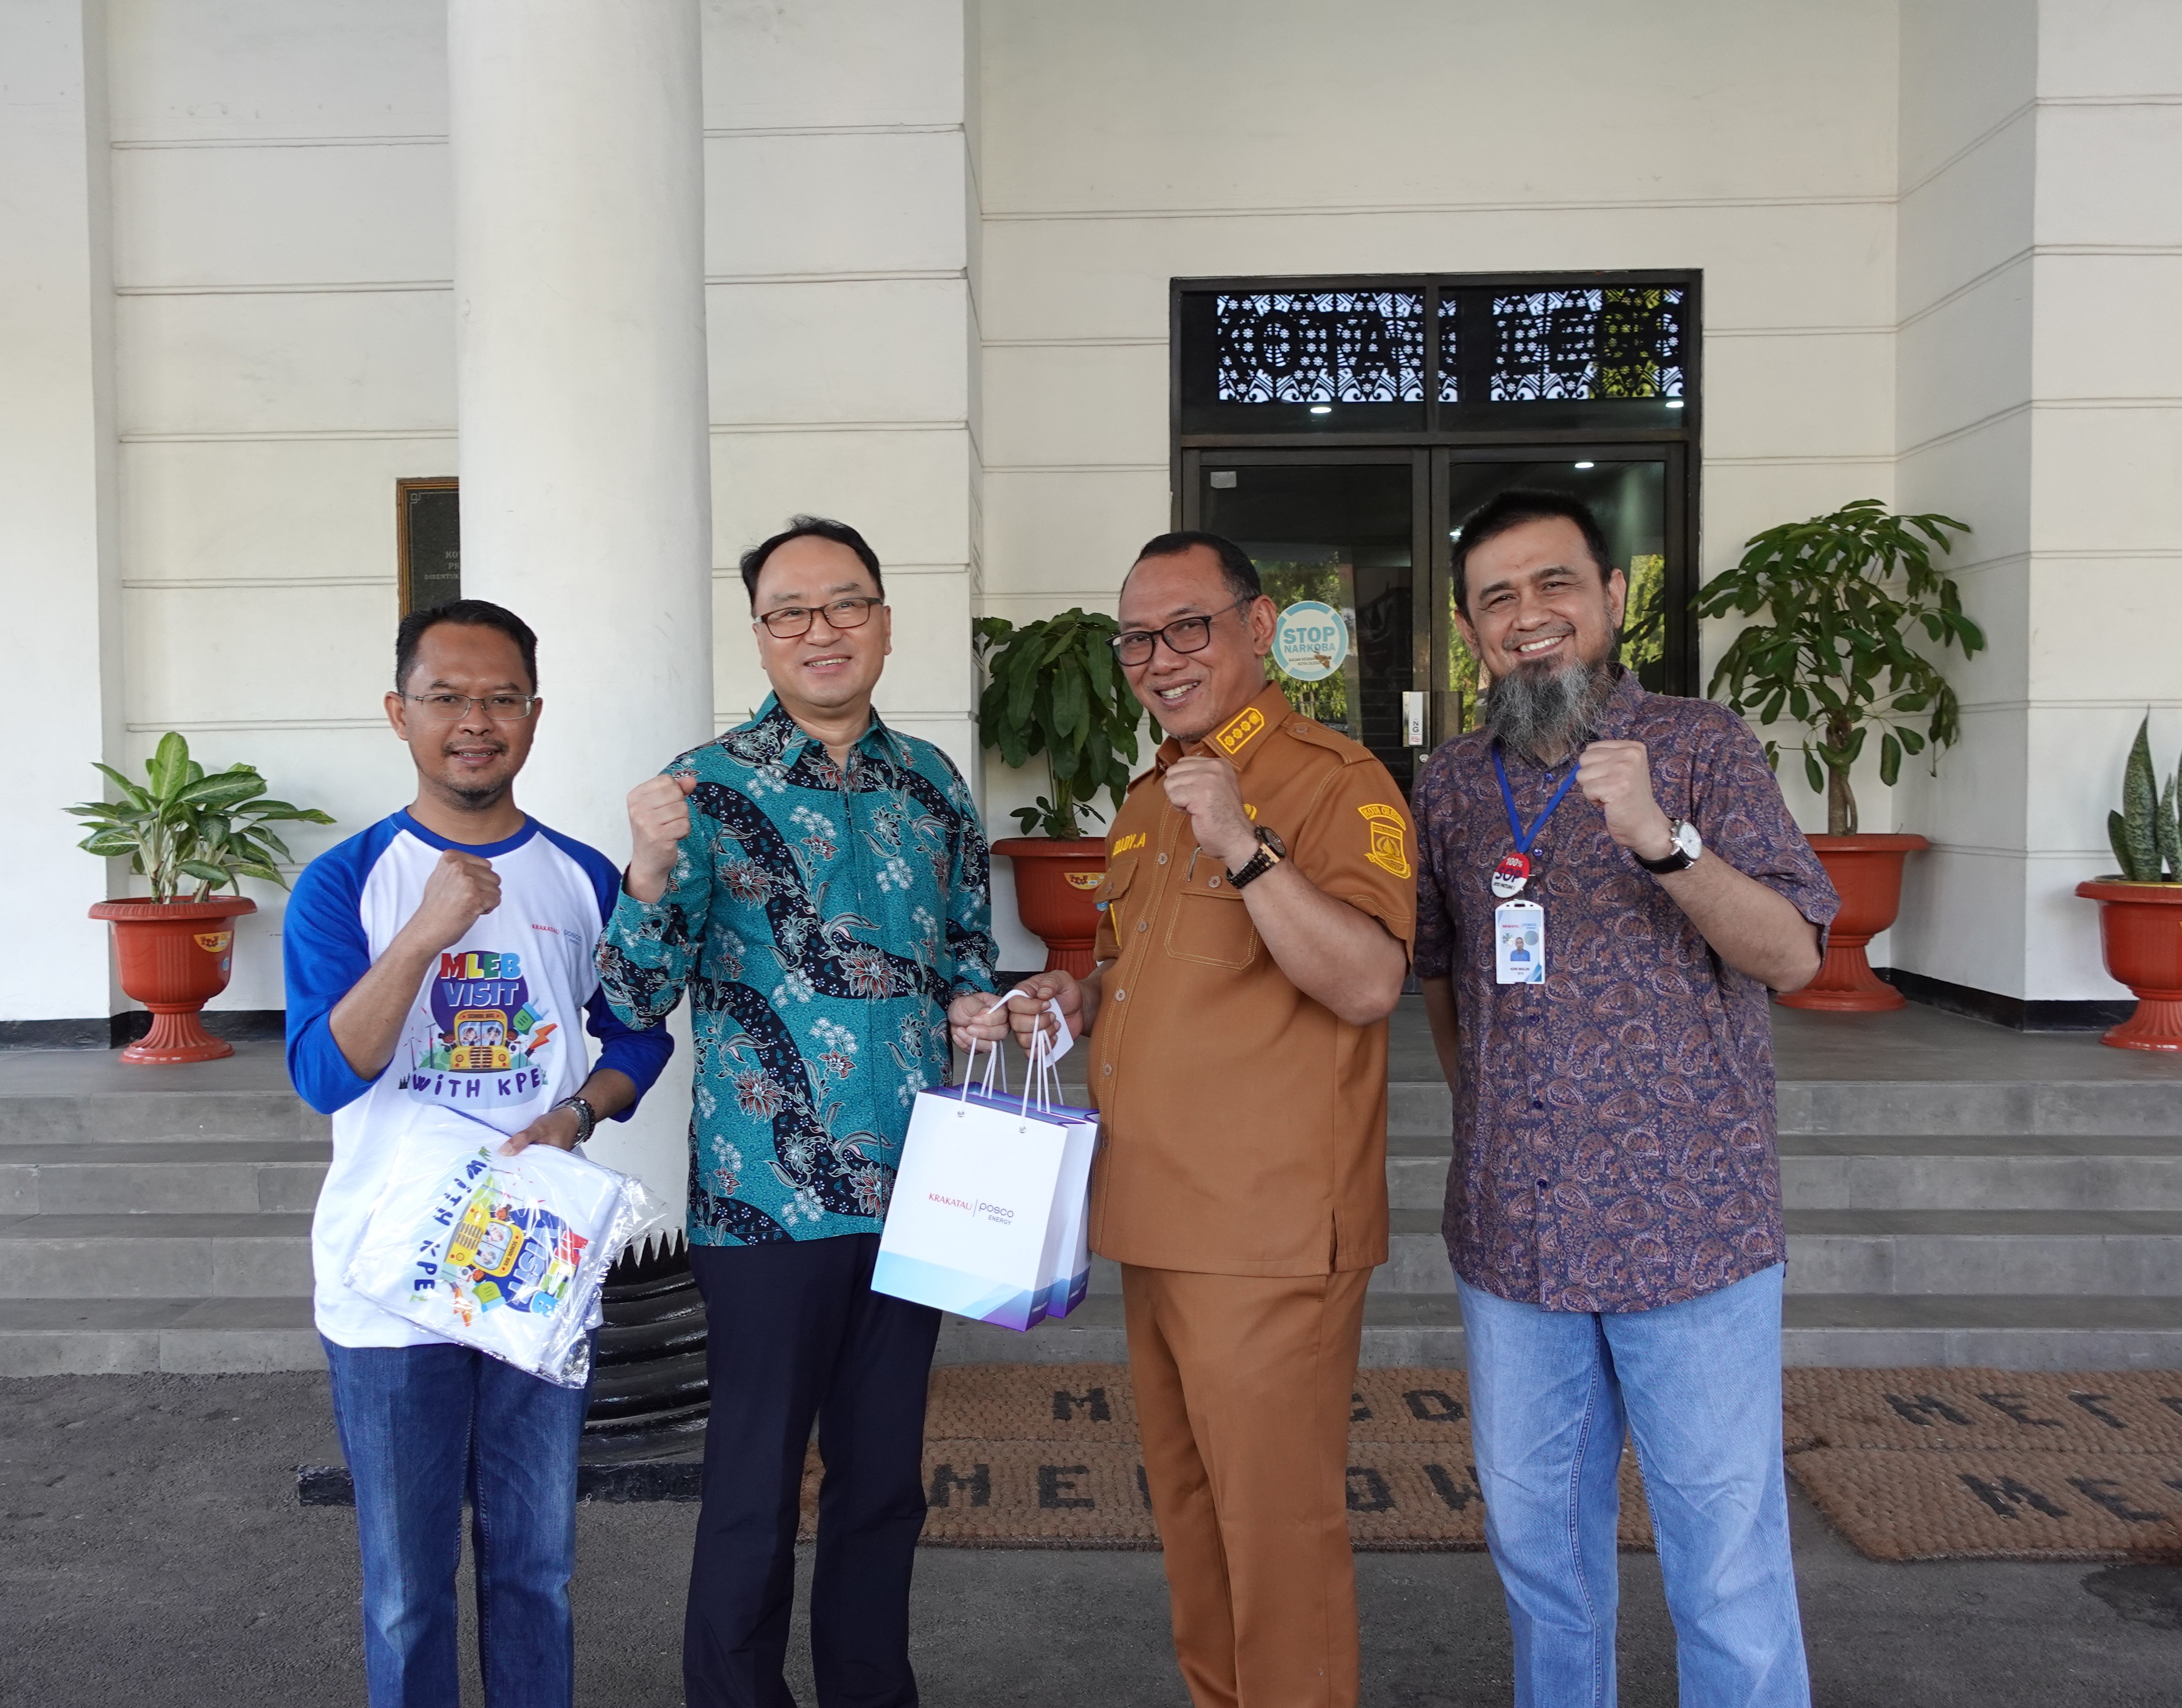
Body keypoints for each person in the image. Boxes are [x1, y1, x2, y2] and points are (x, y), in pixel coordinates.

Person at [968, 530, 1414, 1708]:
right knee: (1193, 1518)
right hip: (1153, 1214)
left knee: (1276, 1537)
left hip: (1267, 1231)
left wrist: (1245, 848)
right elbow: (1136, 968)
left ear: (1257, 628)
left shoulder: (1334, 782)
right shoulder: (1148, 797)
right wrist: (1072, 995)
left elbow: (1368, 982)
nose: (1158, 659)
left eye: (1186, 628)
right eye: (1136, 639)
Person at [1410, 489, 1839, 1708]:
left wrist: (1663, 839)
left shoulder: (1702, 745)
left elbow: (1793, 954)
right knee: (1538, 1553)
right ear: (1469, 631)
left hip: (1688, 1230)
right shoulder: (1451, 783)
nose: (1527, 615)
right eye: (1496, 598)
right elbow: (1444, 978)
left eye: (1553, 583)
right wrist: (1496, 1120)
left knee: (1724, 1561)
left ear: (1610, 597)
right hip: (1515, 1238)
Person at [597, 516, 999, 1708]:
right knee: (753, 1487)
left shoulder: (932, 783)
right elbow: (633, 998)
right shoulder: (703, 789)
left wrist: (975, 1002)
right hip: (764, 1202)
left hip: (915, 1190)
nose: (821, 630)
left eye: (845, 603)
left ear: (884, 620)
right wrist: (647, 870)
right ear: (761, 634)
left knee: (883, 1485)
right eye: (791, 611)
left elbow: (965, 950)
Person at [284, 598, 675, 1708]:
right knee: (406, 1590)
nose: (475, 721)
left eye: (502, 698)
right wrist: (423, 933)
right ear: (398, 712)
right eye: (446, 697)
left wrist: (579, 1115)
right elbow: (324, 1074)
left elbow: (639, 1031)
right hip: (387, 1284)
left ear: (534, 715)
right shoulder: (345, 881)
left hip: (533, 1267)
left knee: (535, 1572)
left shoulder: (582, 877)